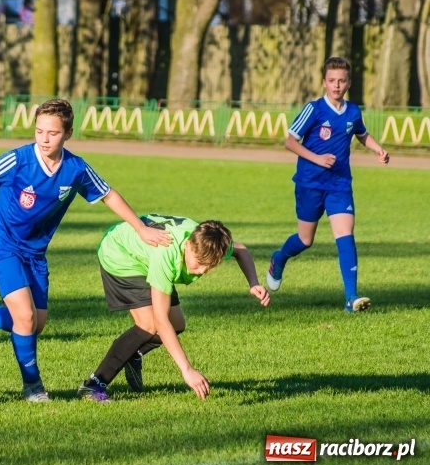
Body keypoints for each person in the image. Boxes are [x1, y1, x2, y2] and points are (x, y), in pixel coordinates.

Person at [0, 98, 171, 403]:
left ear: (67, 133)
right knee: (25, 317)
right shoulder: (19, 160)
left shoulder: (76, 169)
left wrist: (141, 228)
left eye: (52, 133)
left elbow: (108, 195)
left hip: (34, 252)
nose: (43, 138)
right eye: (39, 131)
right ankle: (33, 387)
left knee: (36, 324)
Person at [77, 215, 270, 402]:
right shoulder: (166, 254)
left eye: (209, 266)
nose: (202, 271)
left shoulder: (209, 243)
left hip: (146, 257)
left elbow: (240, 250)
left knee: (177, 324)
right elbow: (161, 320)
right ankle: (94, 384)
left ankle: (133, 353)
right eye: (200, 263)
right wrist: (187, 370)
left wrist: (253, 283)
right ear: (187, 245)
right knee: (149, 325)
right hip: (120, 254)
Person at [266, 56, 389, 312]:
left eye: (341, 81)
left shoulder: (353, 111)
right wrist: (318, 159)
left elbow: (362, 134)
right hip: (310, 184)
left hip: (340, 185)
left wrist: (378, 149)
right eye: (332, 80)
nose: (336, 85)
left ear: (349, 83)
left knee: (345, 236)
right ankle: (278, 259)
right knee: (305, 239)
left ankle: (351, 298)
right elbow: (290, 141)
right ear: (324, 82)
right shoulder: (314, 109)